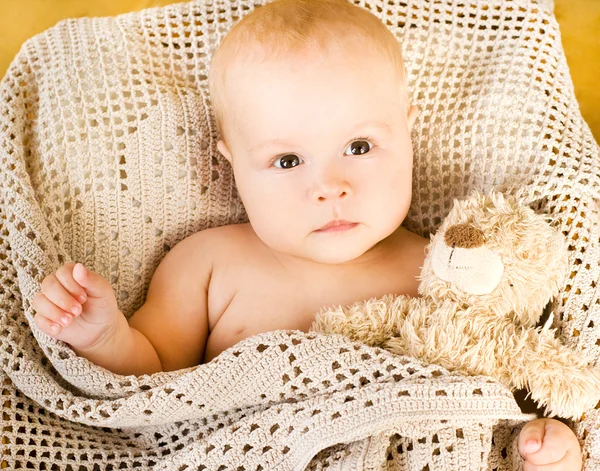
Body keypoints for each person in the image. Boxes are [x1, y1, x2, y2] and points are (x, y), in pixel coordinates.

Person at [31, 0, 582, 468]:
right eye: (288, 160)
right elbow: (153, 381)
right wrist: (102, 336)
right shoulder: (209, 265)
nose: (330, 186)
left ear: (408, 133)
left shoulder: (446, 266)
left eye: (359, 147)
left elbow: (495, 378)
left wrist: (535, 439)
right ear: (232, 164)